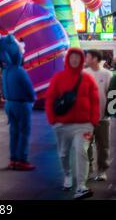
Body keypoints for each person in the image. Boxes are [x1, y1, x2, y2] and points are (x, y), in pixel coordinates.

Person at [45, 48, 100, 200]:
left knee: (81, 151)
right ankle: (67, 174)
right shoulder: (58, 78)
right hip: (62, 125)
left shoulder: (87, 79)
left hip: (84, 125)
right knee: (63, 153)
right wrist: (52, 119)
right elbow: (50, 99)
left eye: (77, 57)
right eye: (72, 57)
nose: (74, 60)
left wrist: (93, 120)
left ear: (81, 60)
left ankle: (81, 186)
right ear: (68, 59)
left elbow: (95, 100)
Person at [0, 34, 36, 171]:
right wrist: (32, 99)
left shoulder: (5, 71)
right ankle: (22, 160)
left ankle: (13, 159)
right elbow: (29, 89)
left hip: (9, 105)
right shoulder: (19, 71)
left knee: (14, 132)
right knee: (24, 132)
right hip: (22, 105)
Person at [85, 50, 113, 181]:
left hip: (102, 118)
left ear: (95, 58)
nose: (85, 59)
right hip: (86, 119)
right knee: (86, 145)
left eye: (88, 57)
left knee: (103, 146)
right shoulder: (84, 73)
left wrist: (109, 113)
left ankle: (102, 170)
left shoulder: (107, 74)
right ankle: (88, 169)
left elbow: (111, 94)